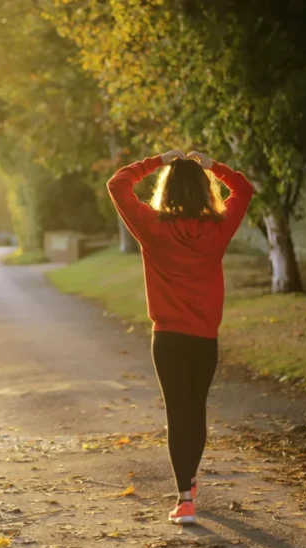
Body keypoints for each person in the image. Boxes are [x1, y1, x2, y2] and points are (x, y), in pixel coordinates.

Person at [106, 149, 253, 524]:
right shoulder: (218, 229)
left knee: (177, 412)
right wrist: (213, 166)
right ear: (205, 192)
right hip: (204, 338)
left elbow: (117, 184)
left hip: (168, 338)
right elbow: (244, 189)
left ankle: (185, 497)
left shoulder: (151, 226)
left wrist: (157, 161)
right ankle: (189, 481)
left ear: (166, 191)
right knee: (196, 410)